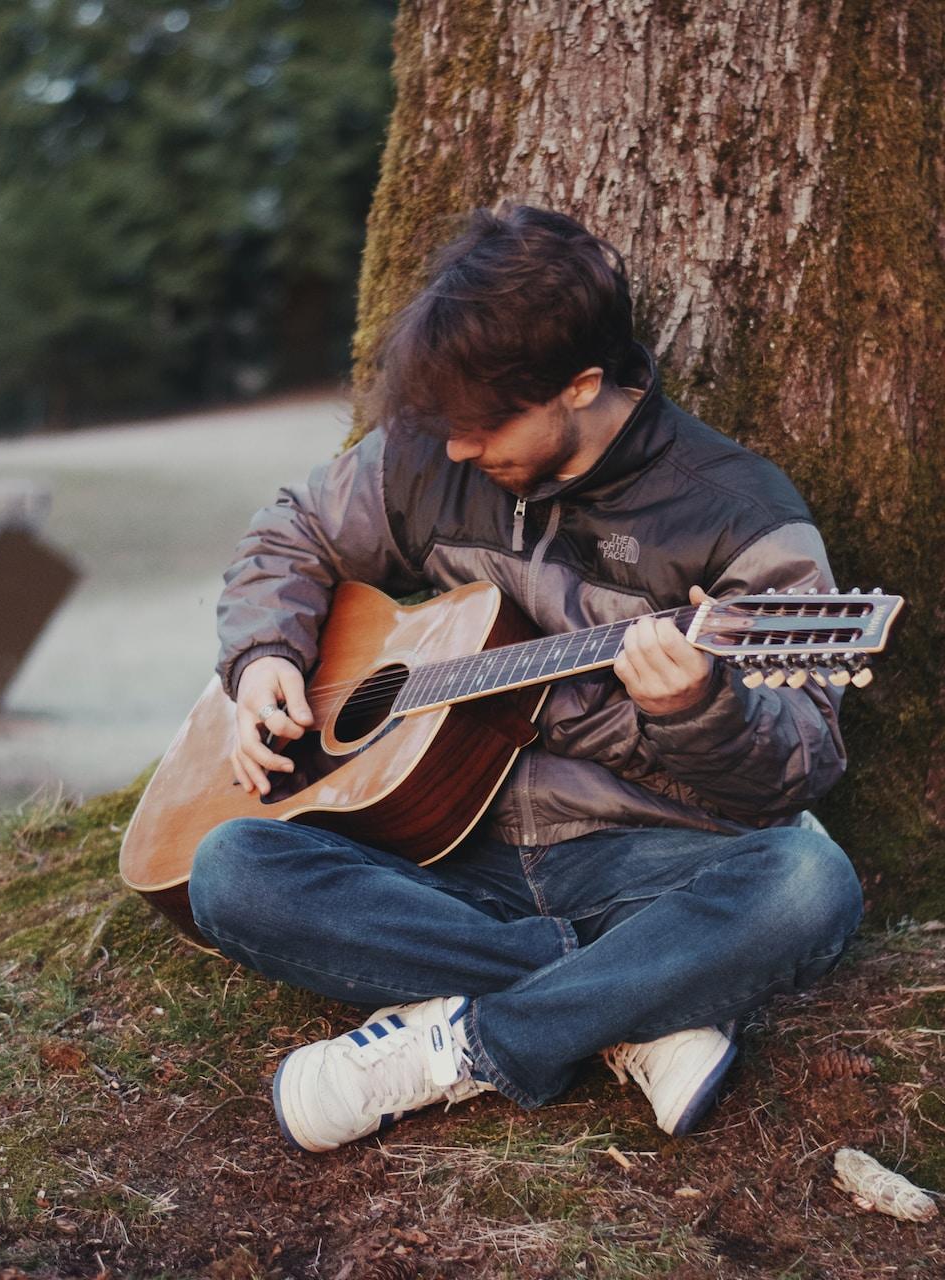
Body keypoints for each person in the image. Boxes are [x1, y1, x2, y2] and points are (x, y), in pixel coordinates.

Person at [187, 204, 864, 1153]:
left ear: (582, 385)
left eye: (488, 425)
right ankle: (626, 1004)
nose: (461, 449)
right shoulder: (432, 451)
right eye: (449, 426)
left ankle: (461, 1045)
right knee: (230, 869)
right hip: (443, 857)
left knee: (809, 883)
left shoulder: (741, 515)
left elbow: (805, 762)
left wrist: (700, 707)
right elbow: (289, 535)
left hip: (643, 858)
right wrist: (264, 658)